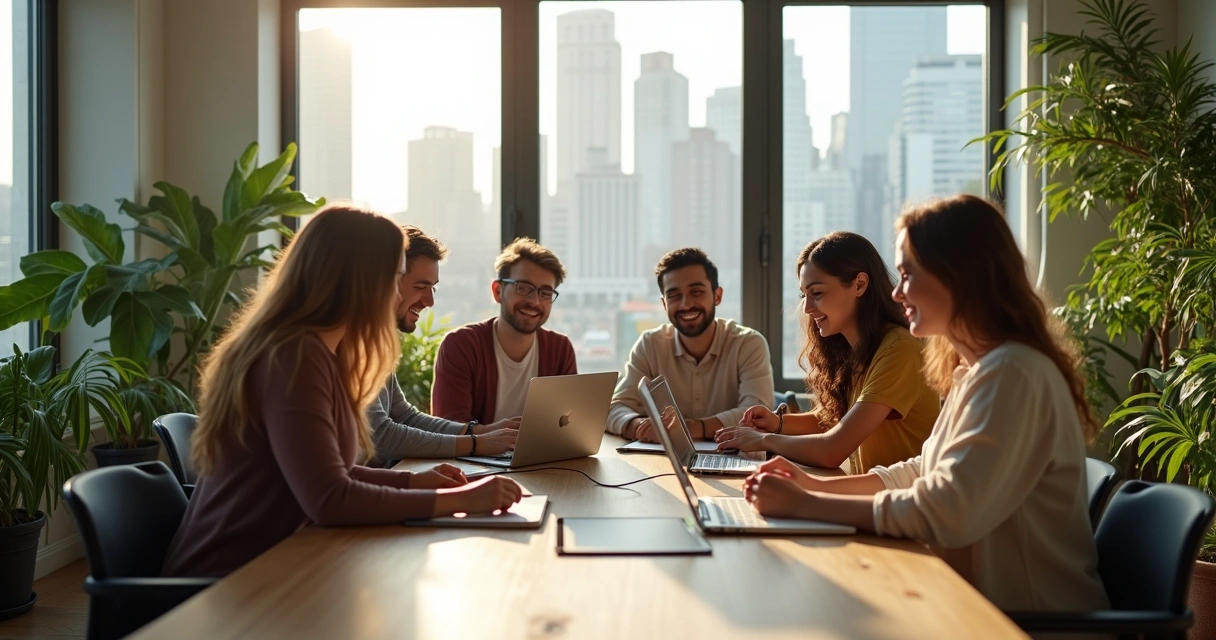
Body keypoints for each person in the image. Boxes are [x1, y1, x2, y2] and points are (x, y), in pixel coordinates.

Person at [743, 195, 1109, 612]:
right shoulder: (973, 372)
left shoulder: (1014, 373)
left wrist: (809, 504)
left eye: (907, 275)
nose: (897, 293)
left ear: (959, 275)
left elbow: (947, 511)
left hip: (1024, 623)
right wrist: (812, 485)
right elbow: (919, 473)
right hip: (969, 605)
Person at [163, 206, 523, 578]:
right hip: (224, 586)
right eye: (397, 277)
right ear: (358, 281)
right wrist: (459, 500)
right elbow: (330, 499)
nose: (402, 294)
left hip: (280, 565)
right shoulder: (293, 356)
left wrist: (415, 480)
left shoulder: (324, 354)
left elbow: (337, 474)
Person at [715, 232, 939, 473]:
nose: (807, 307)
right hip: (870, 498)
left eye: (817, 293)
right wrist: (777, 423)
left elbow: (833, 450)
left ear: (859, 285)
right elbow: (834, 420)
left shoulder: (899, 349)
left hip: (901, 504)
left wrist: (761, 440)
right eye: (804, 295)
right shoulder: (856, 348)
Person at [367, 226, 519, 461]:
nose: (430, 301)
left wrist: (479, 431)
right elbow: (380, 435)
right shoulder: (354, 344)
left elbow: (405, 416)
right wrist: (475, 444)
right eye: (420, 287)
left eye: (433, 287)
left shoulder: (379, 342)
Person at [607, 248, 773, 443]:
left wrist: (694, 428)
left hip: (735, 461)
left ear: (717, 296)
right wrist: (638, 427)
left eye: (696, 292)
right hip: (660, 462)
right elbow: (614, 407)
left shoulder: (748, 343)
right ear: (664, 304)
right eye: (674, 295)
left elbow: (759, 417)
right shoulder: (650, 344)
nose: (686, 304)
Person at [431, 237, 577, 425]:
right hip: (471, 456)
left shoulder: (560, 349)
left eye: (546, 293)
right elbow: (450, 429)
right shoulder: (461, 345)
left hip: (540, 455)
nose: (535, 301)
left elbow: (567, 425)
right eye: (523, 288)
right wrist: (501, 438)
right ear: (498, 291)